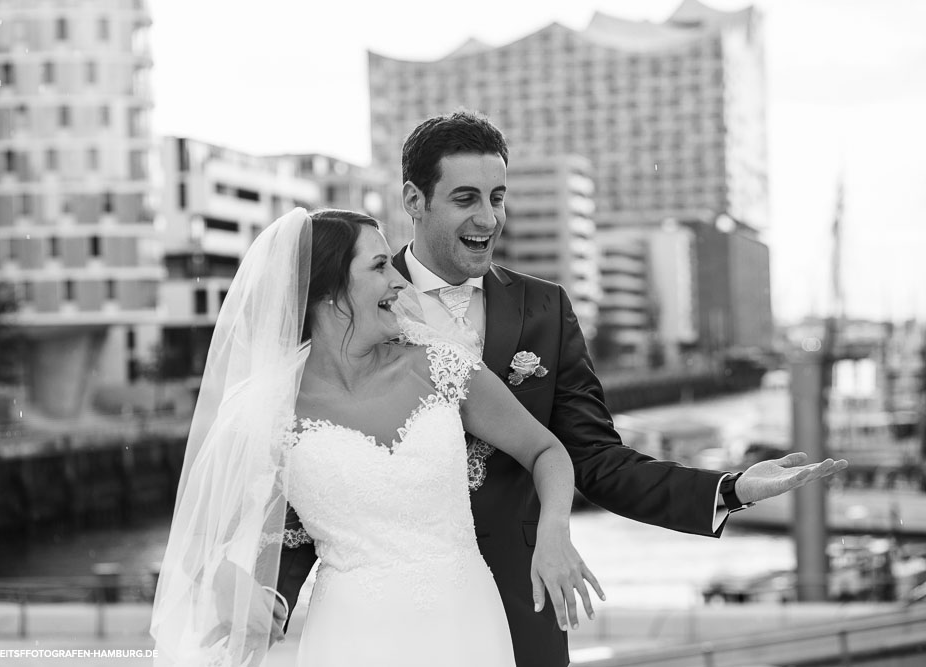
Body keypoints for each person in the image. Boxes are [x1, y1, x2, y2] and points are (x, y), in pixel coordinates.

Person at [276, 111, 848, 667]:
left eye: (497, 197)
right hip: (379, 624)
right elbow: (320, 483)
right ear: (414, 200)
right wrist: (269, 599)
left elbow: (594, 458)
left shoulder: (543, 309)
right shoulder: (357, 305)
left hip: (530, 594)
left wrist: (729, 488)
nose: (489, 218)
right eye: (466, 198)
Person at [151, 208, 607, 667]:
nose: (400, 282)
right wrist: (226, 580)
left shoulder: (441, 366)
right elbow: (195, 541)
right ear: (329, 292)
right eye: (378, 266)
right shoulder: (268, 412)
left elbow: (546, 450)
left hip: (467, 623)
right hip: (350, 639)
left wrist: (554, 531)